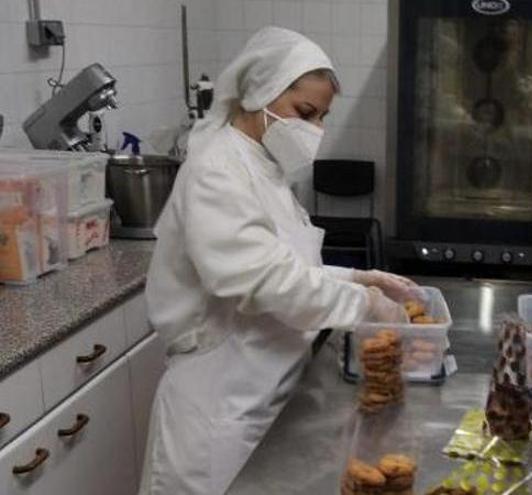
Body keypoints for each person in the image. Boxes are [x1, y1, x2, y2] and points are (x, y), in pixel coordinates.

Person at [139, 27, 418, 494]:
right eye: (304, 113)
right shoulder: (216, 170)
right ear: (260, 93)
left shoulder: (262, 166)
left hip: (263, 393)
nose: (314, 130)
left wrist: (355, 275)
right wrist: (362, 303)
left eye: (322, 117)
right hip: (218, 410)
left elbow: (280, 261)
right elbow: (263, 281)